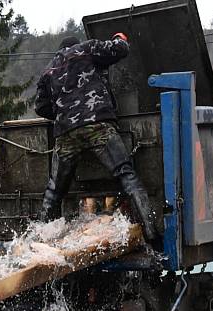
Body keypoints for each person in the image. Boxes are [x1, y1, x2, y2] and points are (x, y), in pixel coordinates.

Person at [35, 33, 157, 241]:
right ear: (76, 45)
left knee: (54, 191)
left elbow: (41, 107)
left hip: (66, 133)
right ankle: (151, 232)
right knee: (126, 175)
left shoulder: (49, 70)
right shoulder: (87, 48)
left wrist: (66, 114)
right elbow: (121, 49)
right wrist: (120, 38)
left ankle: (40, 240)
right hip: (97, 124)